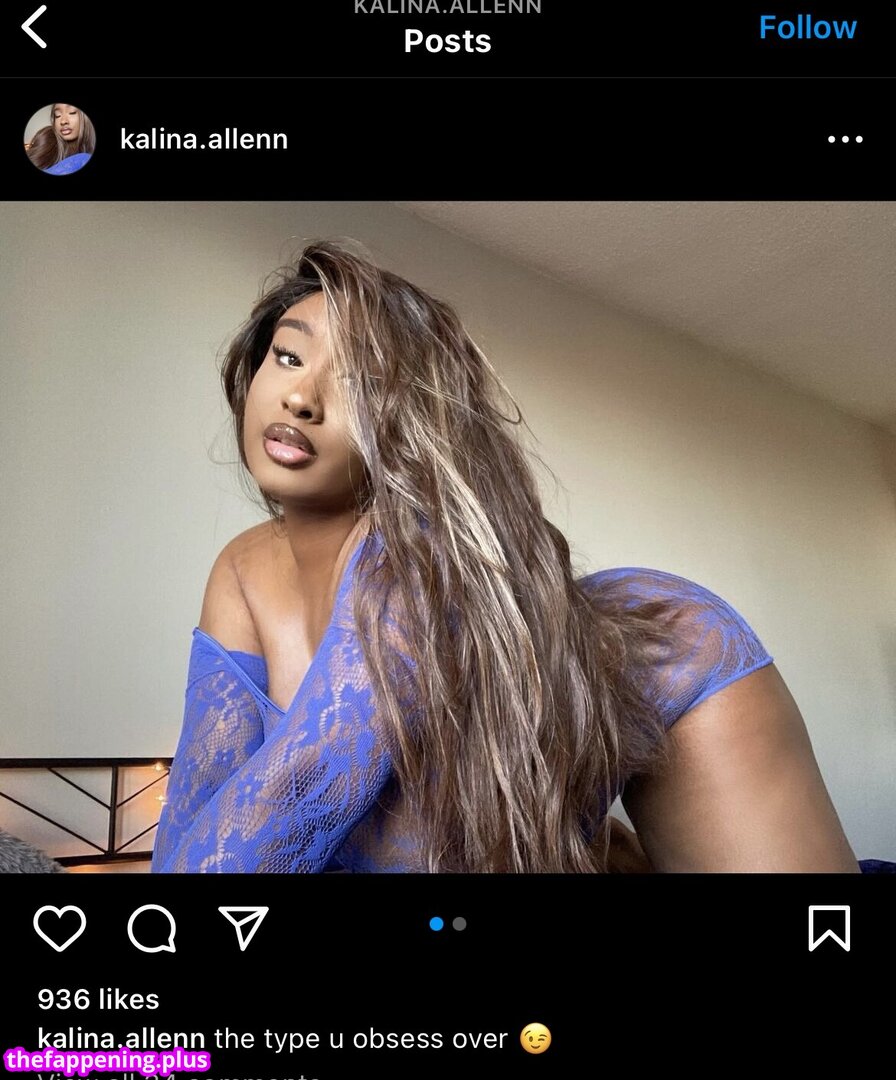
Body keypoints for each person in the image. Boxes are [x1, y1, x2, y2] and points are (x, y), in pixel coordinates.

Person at [152, 240, 860, 874]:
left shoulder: (407, 555)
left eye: (360, 384)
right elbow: (195, 814)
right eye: (288, 355)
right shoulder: (241, 568)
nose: (302, 398)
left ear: (412, 424)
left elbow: (285, 805)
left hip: (675, 663)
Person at [26, 104, 95, 175]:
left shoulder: (85, 157)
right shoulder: (48, 137)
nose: (63, 121)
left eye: (72, 112)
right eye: (57, 115)